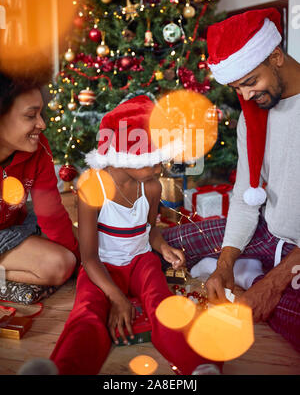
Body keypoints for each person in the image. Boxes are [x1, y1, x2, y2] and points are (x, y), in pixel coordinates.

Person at [42, 95, 222, 376]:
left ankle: (199, 365)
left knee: (163, 305)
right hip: (101, 269)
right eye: (153, 162)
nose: (160, 169)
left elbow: (151, 234)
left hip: (141, 262)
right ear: (126, 156)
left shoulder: (151, 188)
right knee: (87, 313)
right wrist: (117, 297)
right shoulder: (93, 188)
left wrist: (164, 249)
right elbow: (88, 258)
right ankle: (63, 368)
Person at [162, 7, 300, 352]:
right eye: (237, 87)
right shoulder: (254, 114)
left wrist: (272, 284)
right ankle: (244, 272)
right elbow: (245, 195)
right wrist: (225, 264)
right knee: (163, 246)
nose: (246, 97)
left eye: (251, 82)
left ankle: (255, 278)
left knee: (284, 318)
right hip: (268, 233)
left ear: (276, 56)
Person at [0, 66, 79, 286]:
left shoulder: (38, 148)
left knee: (88, 242)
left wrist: (86, 263)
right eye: (30, 116)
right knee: (61, 264)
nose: (42, 124)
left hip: (18, 223)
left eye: (40, 113)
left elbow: (51, 215)